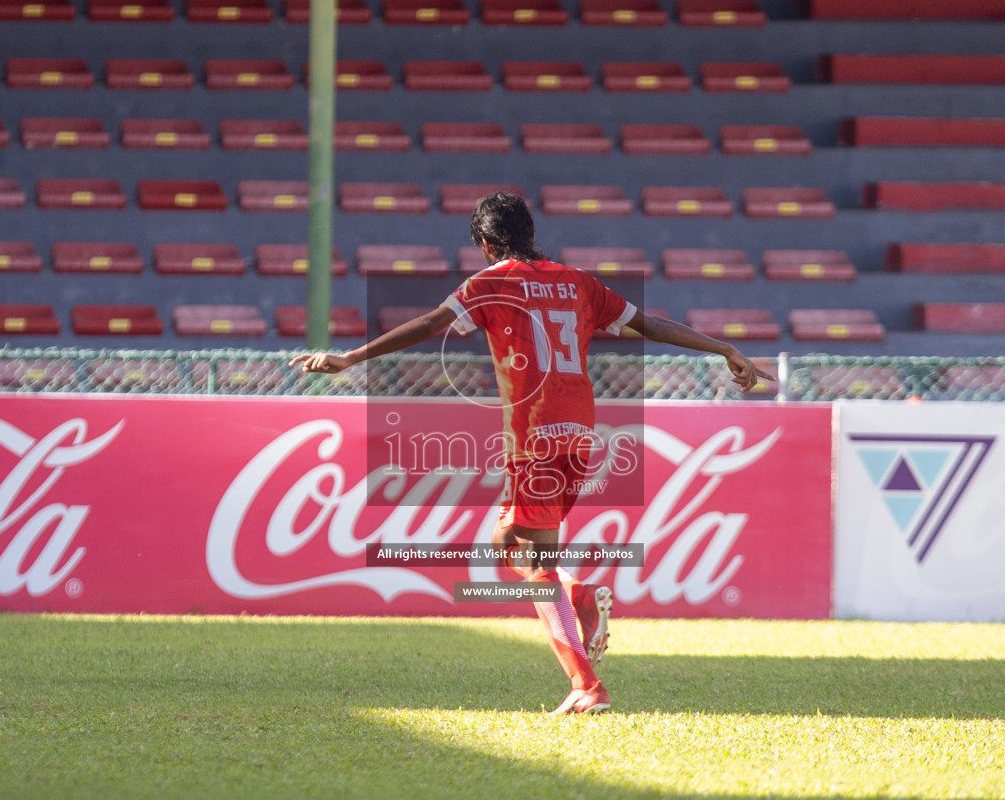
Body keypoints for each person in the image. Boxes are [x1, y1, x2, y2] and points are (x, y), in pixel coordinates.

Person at [292, 192, 765, 715]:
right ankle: (580, 596)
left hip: (534, 434)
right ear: (530, 232)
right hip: (581, 432)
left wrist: (351, 358)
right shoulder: (579, 282)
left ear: (487, 243)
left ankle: (586, 685)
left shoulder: (491, 282)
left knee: (530, 560)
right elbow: (649, 324)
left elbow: (430, 325)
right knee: (506, 547)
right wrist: (722, 348)